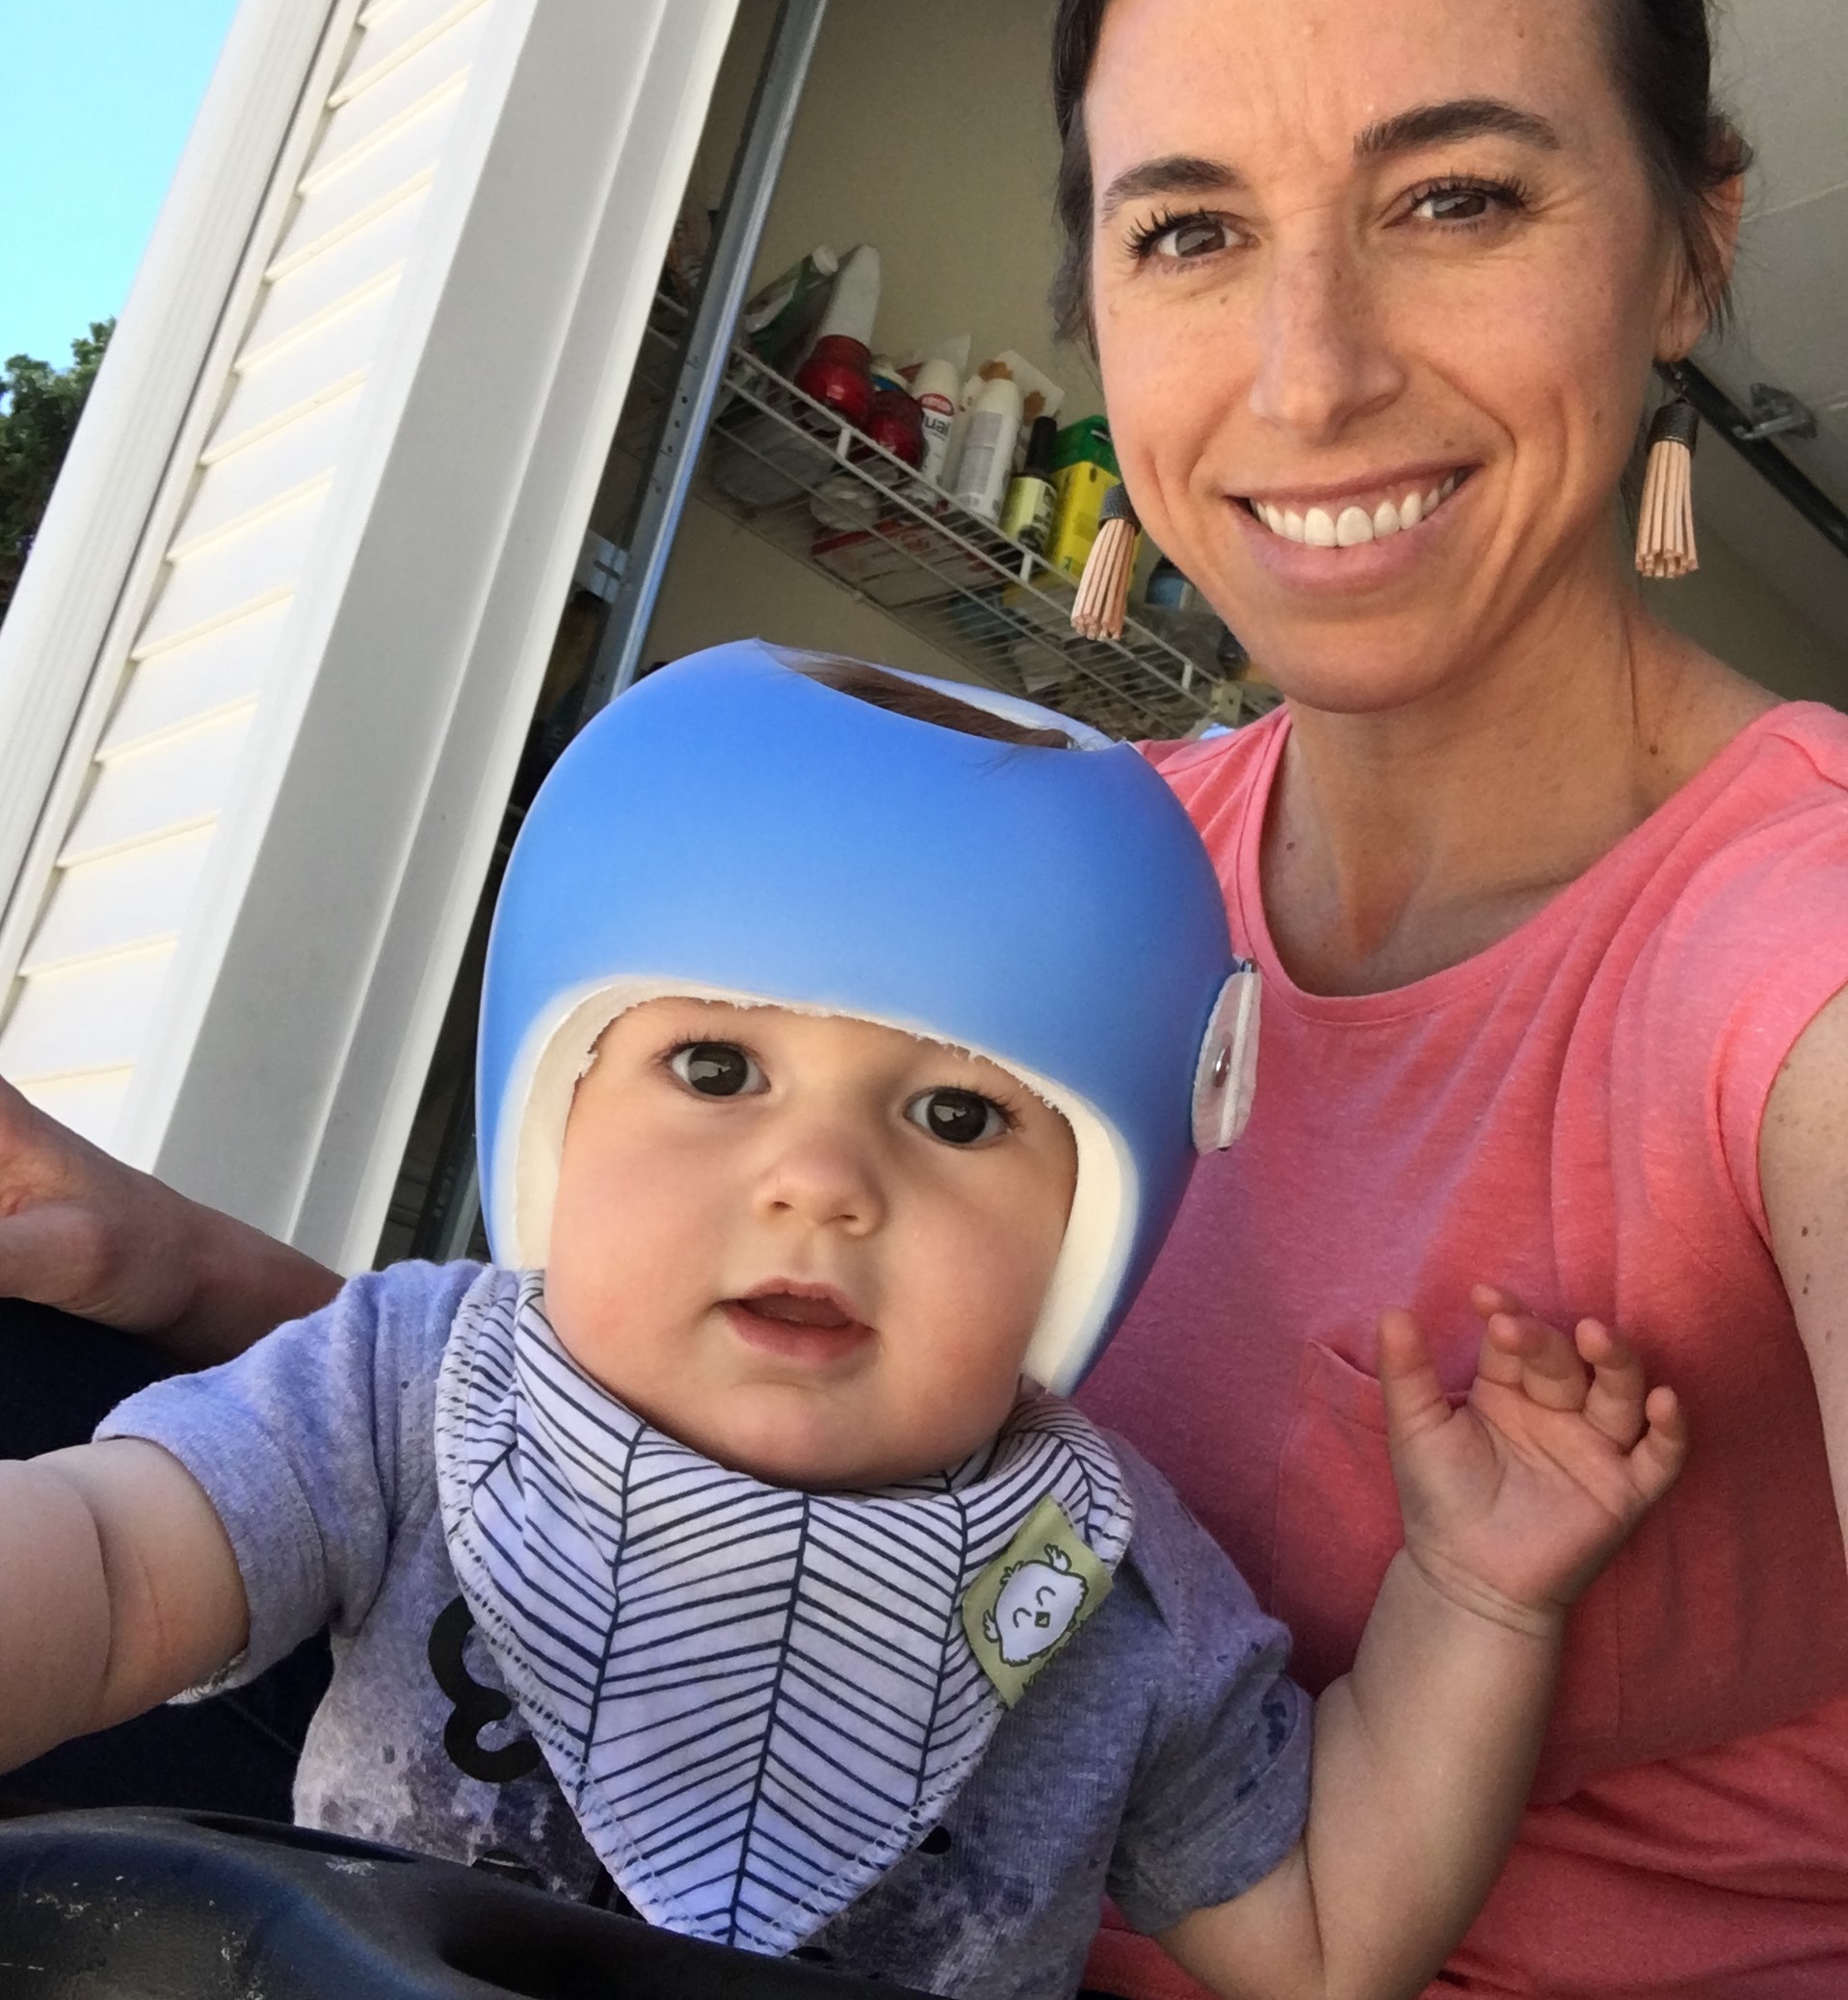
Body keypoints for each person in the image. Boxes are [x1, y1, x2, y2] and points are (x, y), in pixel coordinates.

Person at [0, 0, 1844, 1989]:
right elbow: (644, 1428)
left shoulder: (1793, 957)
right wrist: (181, 1267)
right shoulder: (1088, 884)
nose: (1307, 371)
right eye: (1190, 230)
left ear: (1686, 243)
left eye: (1451, 198)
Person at [0, 641, 1686, 2000]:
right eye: (714, 1068)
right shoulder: (407, 1390)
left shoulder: (1101, 1582)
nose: (819, 1183)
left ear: (1094, 1229)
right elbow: (112, 1566)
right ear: (549, 1109)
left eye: (956, 1117)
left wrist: (1476, 1602)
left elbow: (1321, 1946)